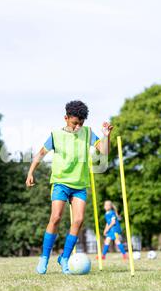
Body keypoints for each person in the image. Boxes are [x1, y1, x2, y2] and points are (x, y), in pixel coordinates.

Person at [25, 100, 113, 274]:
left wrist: (106, 135)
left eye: (81, 123)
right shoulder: (56, 135)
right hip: (60, 181)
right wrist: (30, 172)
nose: (77, 127)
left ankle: (64, 258)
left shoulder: (87, 133)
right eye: (74, 123)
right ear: (66, 118)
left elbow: (104, 151)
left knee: (79, 220)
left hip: (79, 184)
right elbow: (40, 154)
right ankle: (44, 258)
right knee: (56, 217)